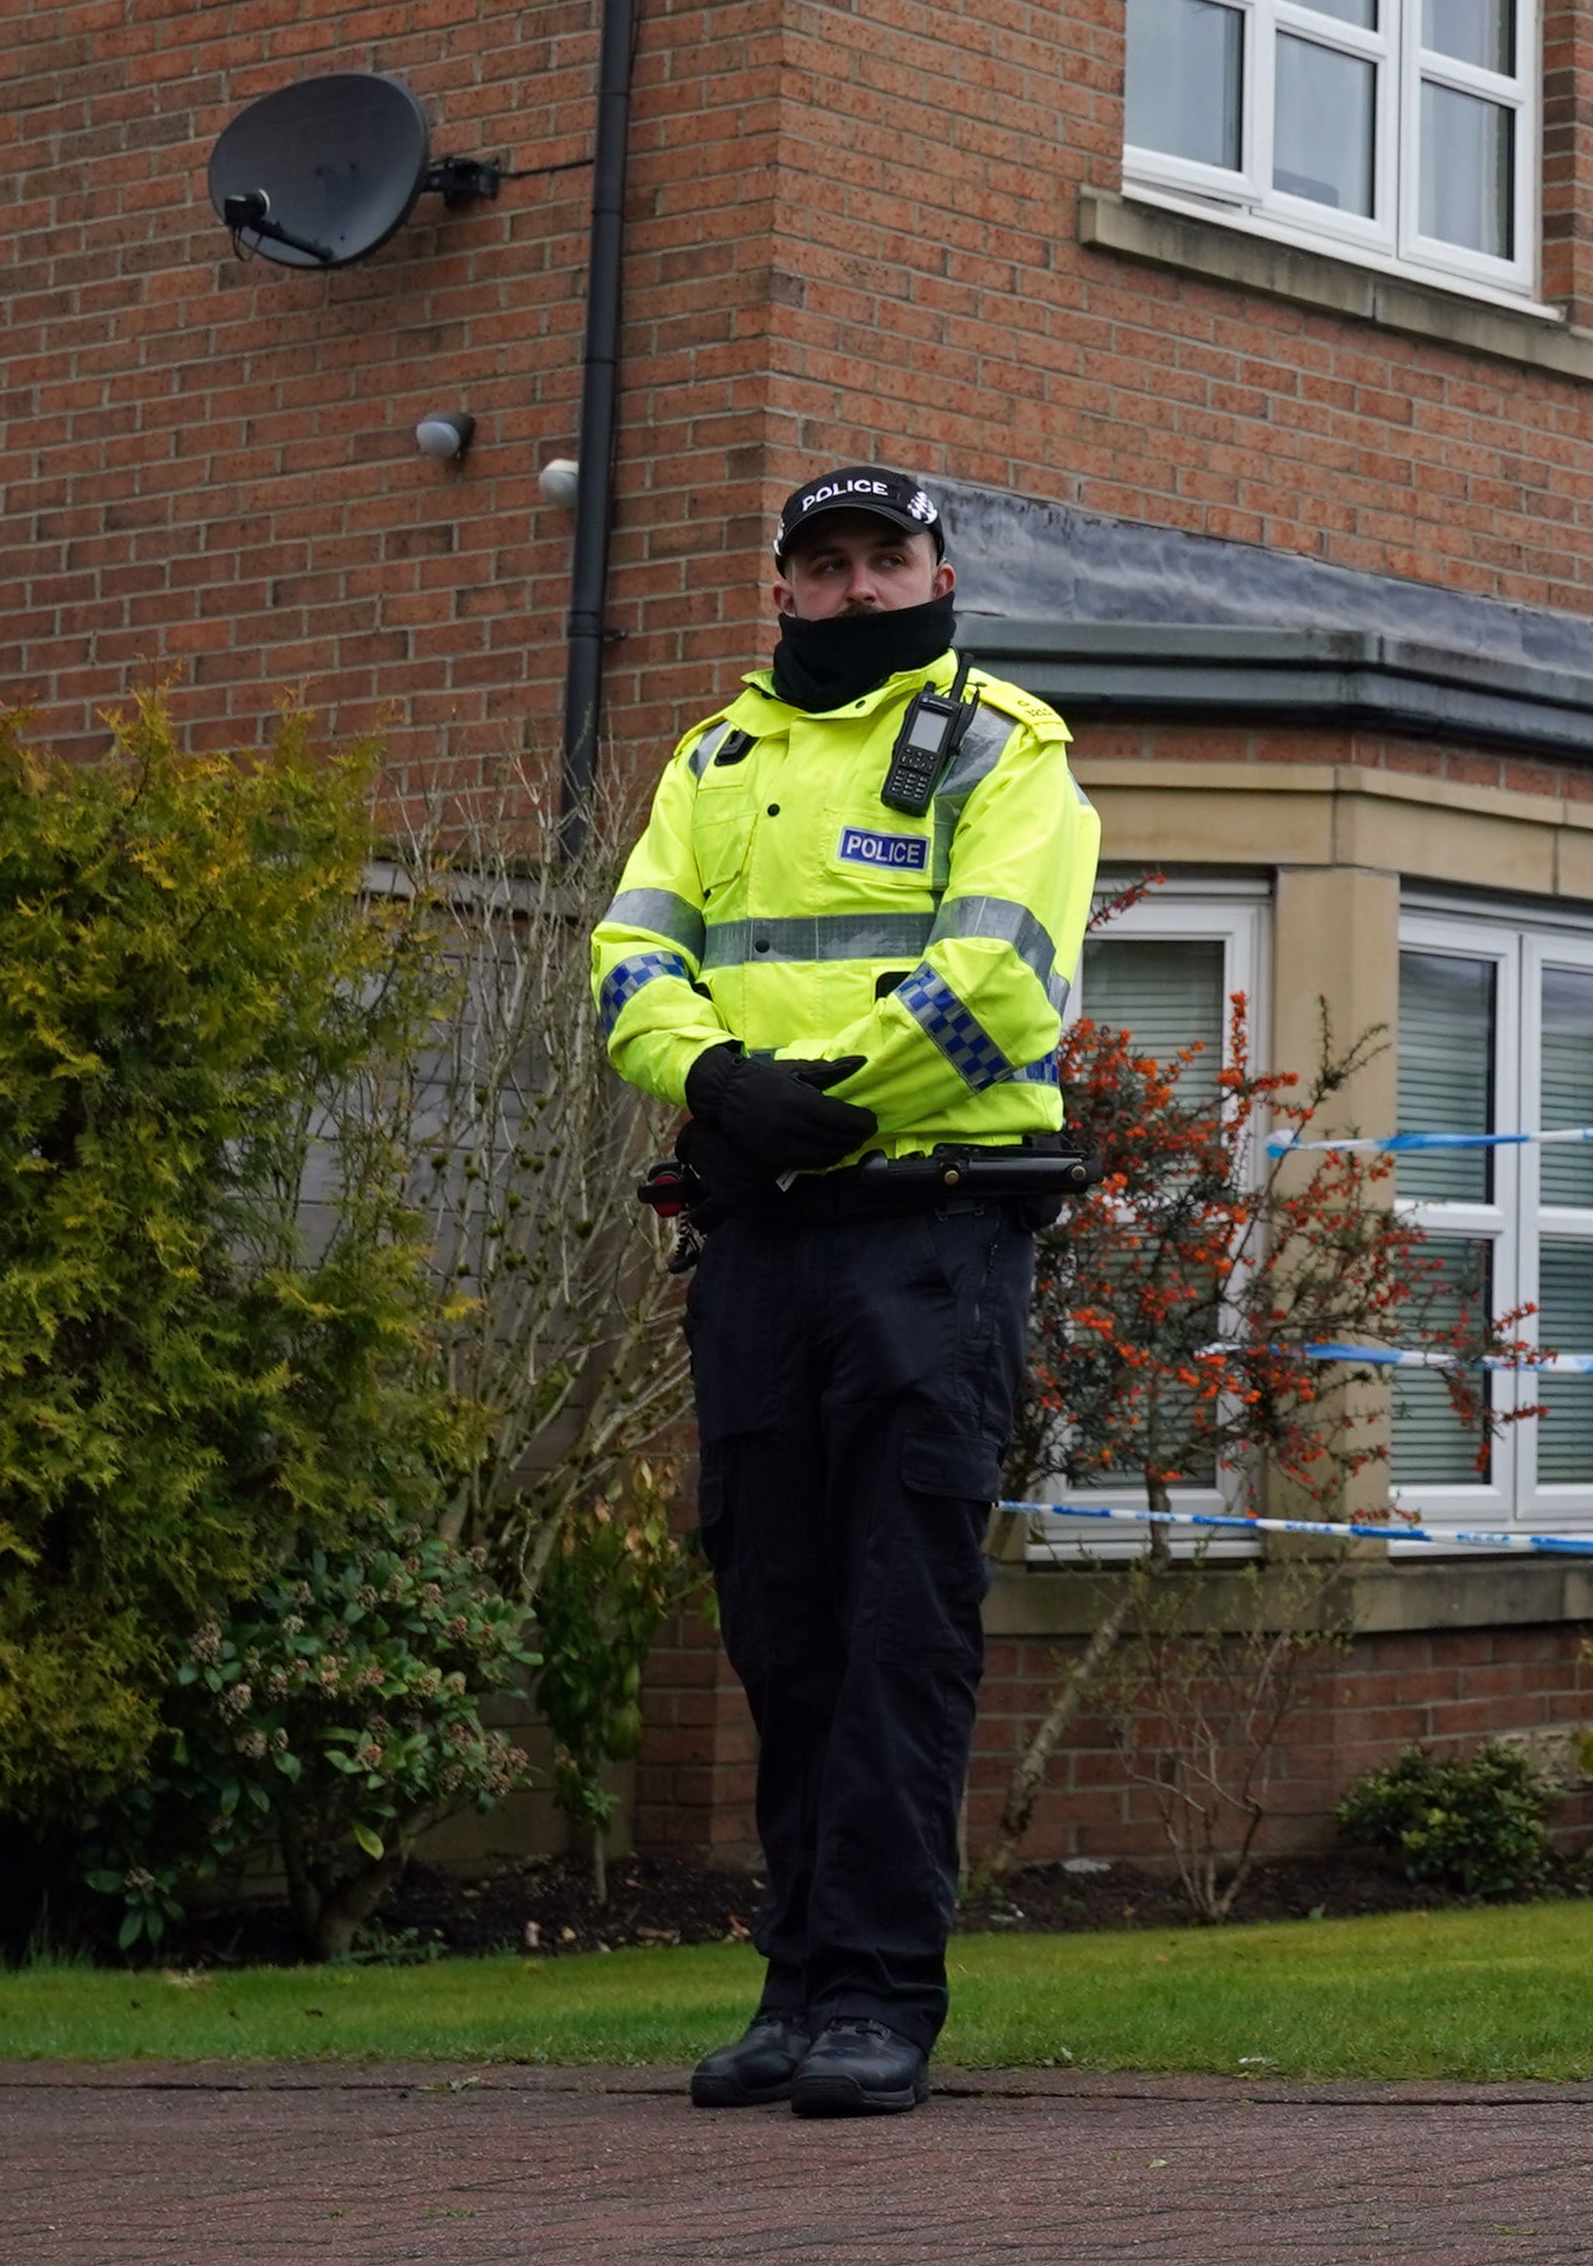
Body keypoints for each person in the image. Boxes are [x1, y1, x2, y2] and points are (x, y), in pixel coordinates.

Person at [593, 466, 1100, 2121]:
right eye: (828, 562)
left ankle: (885, 1994)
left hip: (927, 1240)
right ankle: (799, 1986)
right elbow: (628, 963)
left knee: (900, 1628)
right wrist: (716, 1082)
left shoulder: (1006, 748)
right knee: (780, 1628)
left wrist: (816, 1097)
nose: (862, 584)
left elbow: (1001, 974)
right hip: (759, 1243)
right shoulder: (714, 761)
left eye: (890, 557)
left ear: (939, 570)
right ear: (785, 591)